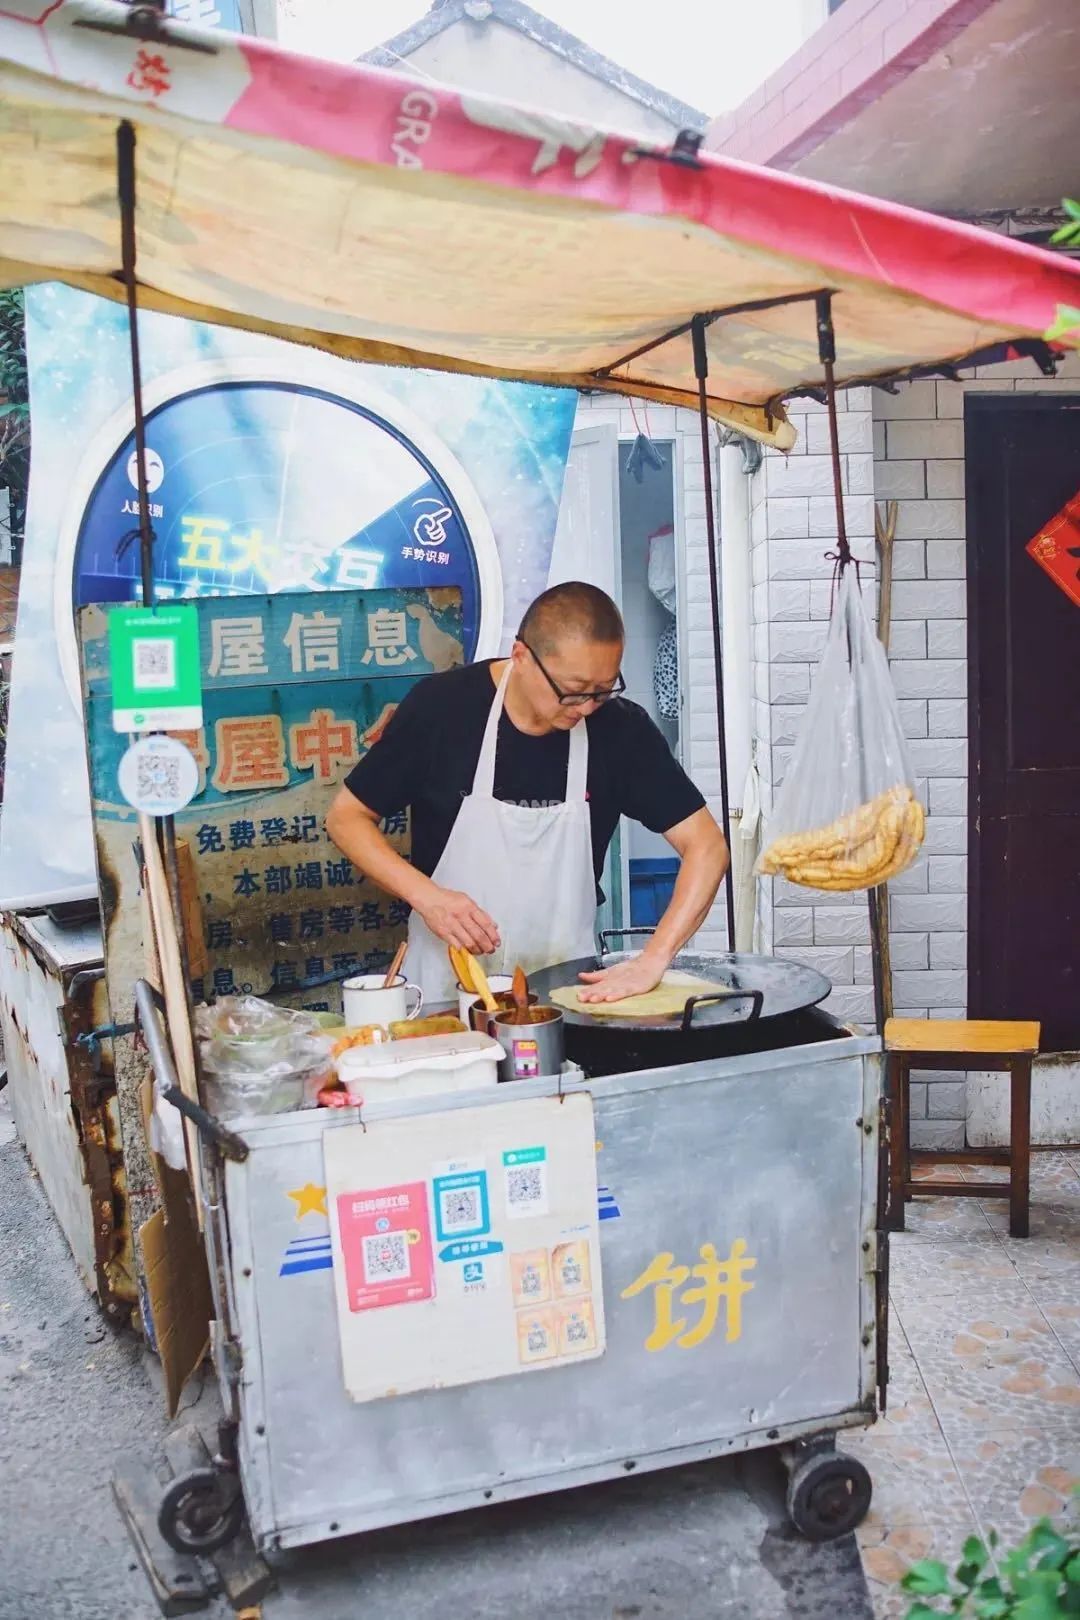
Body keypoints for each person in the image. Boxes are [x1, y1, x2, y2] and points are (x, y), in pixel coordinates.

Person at [326, 581, 729, 1004]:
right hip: (444, 992)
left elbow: (707, 847)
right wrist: (427, 897)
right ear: (521, 656)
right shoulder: (443, 709)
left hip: (566, 999)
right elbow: (347, 818)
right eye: (573, 690)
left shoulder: (620, 730)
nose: (587, 707)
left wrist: (654, 958)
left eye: (603, 689)